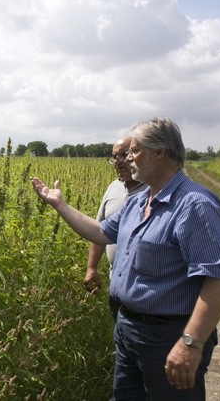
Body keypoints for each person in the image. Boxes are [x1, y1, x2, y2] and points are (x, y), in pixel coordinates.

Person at [31, 117, 220, 400]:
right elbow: (101, 232)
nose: (127, 159)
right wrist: (60, 205)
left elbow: (219, 282)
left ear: (160, 152)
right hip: (129, 330)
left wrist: (190, 344)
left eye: (134, 151)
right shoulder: (140, 201)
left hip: (168, 335)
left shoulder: (196, 207)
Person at [85, 137, 148, 321]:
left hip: (146, 294)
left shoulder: (154, 190)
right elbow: (100, 229)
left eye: (123, 155)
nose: (118, 162)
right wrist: (91, 267)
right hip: (117, 286)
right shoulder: (114, 187)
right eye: (114, 157)